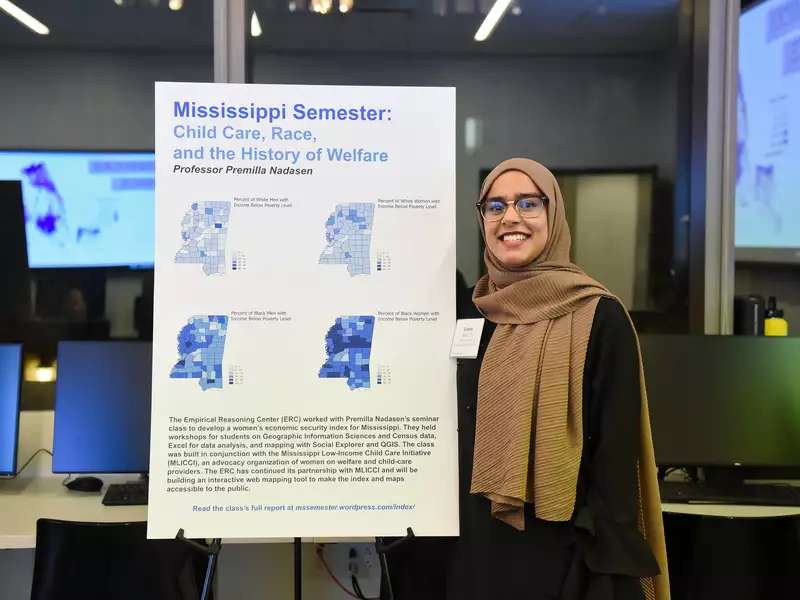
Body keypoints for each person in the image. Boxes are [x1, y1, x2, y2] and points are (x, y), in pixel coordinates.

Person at [388, 158, 669, 600]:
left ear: (553, 214)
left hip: (558, 555)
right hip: (469, 551)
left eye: (527, 203)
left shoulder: (599, 315)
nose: (510, 218)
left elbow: (614, 461)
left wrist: (596, 573)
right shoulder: (471, 313)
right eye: (495, 206)